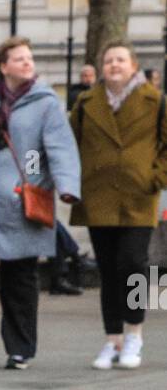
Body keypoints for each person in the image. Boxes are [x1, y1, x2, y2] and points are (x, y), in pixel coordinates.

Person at [70, 41, 167, 370]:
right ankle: (113, 339)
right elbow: (67, 144)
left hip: (138, 197)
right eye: (109, 60)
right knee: (108, 270)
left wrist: (155, 177)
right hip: (98, 196)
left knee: (132, 263)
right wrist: (62, 181)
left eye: (121, 60)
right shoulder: (85, 102)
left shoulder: (155, 101)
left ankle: (134, 333)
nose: (114, 65)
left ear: (134, 66)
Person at [0, 36, 81, 368]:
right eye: (19, 58)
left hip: (20, 201)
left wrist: (67, 185)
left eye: (30, 58)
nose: (27, 63)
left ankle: (20, 349)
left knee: (21, 278)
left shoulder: (45, 102)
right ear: (3, 66)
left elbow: (60, 146)